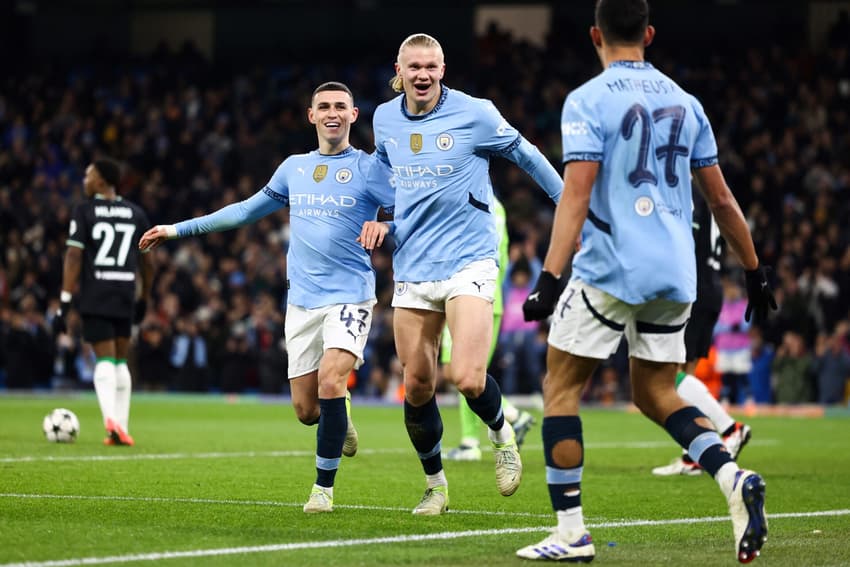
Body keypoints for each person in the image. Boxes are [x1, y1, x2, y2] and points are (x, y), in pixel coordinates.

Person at [516, 1, 776, 562]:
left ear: (595, 35)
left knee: (561, 390)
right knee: (654, 391)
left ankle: (570, 534)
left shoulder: (586, 101)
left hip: (613, 265)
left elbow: (577, 195)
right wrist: (754, 271)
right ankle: (732, 478)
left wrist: (549, 276)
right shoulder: (688, 102)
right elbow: (723, 200)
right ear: (650, 34)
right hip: (677, 271)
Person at [139, 82, 395, 513]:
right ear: (311, 115)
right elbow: (244, 210)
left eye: (341, 107)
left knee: (332, 380)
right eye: (324, 107)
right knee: (306, 411)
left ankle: (322, 490)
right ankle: (340, 413)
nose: (332, 113)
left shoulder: (371, 169)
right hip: (302, 303)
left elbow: (409, 213)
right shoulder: (294, 168)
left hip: (351, 296)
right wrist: (176, 228)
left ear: (354, 116)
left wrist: (388, 227)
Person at [359, 33, 563, 515]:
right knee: (419, 385)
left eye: (431, 66)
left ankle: (502, 435)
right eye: (414, 67)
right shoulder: (384, 119)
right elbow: (384, 179)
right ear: (400, 69)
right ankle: (436, 485)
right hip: (412, 265)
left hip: (469, 260)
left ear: (443, 68)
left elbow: (528, 155)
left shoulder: (476, 113)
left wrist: (567, 203)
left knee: (468, 377)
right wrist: (377, 219)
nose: (423, 74)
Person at [54, 157, 155, 446]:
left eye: (88, 175)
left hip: (96, 293)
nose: (84, 180)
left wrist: (64, 300)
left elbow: (73, 256)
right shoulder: (135, 213)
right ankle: (121, 428)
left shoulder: (84, 211)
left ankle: (111, 422)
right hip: (125, 293)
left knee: (105, 359)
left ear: (100, 180)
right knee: (120, 360)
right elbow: (149, 263)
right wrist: (144, 297)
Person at [652, 189, 752, 476]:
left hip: (693, 289)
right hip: (711, 288)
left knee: (671, 376)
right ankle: (694, 452)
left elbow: (680, 242)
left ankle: (730, 428)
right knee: (687, 375)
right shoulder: (711, 199)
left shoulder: (689, 196)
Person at [442, 197, 535, 462]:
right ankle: (513, 415)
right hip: (489, 295)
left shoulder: (462, 198)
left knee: (462, 370)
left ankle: (470, 442)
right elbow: (502, 256)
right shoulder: (498, 205)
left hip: (465, 293)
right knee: (465, 372)